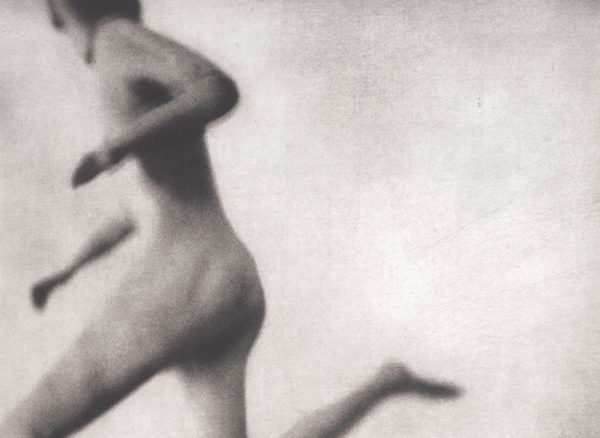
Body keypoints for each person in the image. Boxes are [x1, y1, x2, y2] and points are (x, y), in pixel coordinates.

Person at [0, 1, 460, 436]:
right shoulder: (122, 68)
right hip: (227, 278)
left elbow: (216, 88)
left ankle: (385, 383)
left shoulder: (114, 38)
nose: (54, 21)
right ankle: (384, 383)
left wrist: (114, 147)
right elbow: (131, 214)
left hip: (185, 273)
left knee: (21, 429)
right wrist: (66, 273)